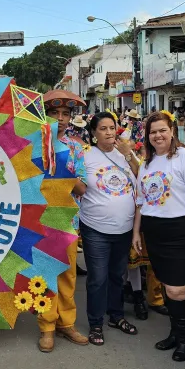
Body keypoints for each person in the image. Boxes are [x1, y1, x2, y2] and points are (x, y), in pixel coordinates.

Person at [132, 111, 185, 362]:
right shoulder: (147, 163)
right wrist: (136, 232)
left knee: (179, 289)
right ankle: (175, 333)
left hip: (179, 232)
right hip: (154, 233)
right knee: (167, 285)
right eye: (153, 132)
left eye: (162, 130)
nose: (158, 136)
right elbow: (141, 202)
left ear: (172, 131)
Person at [80, 112, 140, 345]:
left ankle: (116, 316)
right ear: (94, 133)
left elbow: (142, 179)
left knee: (118, 275)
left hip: (123, 228)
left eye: (112, 128)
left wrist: (130, 155)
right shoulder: (86, 157)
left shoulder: (124, 154)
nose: (108, 132)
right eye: (103, 128)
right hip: (96, 229)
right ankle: (96, 323)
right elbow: (78, 186)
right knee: (98, 278)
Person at [39, 90, 90, 352]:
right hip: (39, 219)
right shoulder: (31, 145)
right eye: (54, 113)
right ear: (44, 115)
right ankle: (47, 326)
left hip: (68, 218)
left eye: (65, 114)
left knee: (68, 274)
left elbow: (82, 188)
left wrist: (62, 173)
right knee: (46, 274)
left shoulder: (76, 147)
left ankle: (66, 323)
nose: (60, 118)